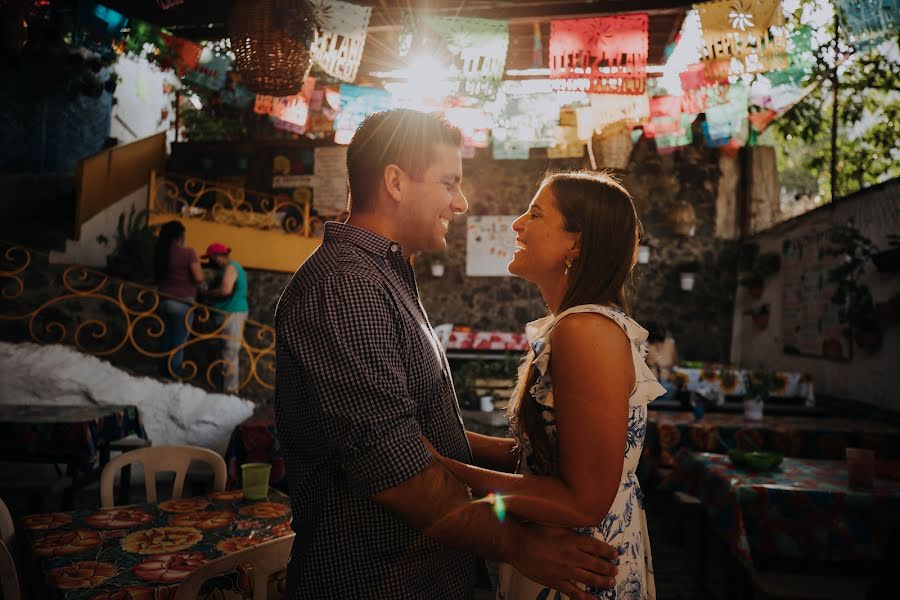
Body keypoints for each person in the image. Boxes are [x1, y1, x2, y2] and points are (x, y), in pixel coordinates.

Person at [274, 110, 618, 600]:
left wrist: (534, 461)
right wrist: (519, 544)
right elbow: (396, 471)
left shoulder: (383, 276)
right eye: (449, 182)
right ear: (395, 181)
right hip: (373, 580)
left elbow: (421, 435)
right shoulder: (346, 286)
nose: (461, 202)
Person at [428, 171, 667, 600]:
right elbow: (546, 460)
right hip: (577, 552)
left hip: (575, 561)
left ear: (576, 243)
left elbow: (583, 501)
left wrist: (444, 470)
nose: (517, 224)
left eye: (535, 213)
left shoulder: (585, 331)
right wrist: (447, 443)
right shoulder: (581, 325)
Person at [154, 221, 204, 377]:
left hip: (163, 301)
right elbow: (198, 277)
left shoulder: (160, 253)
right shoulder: (188, 253)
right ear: (180, 236)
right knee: (178, 343)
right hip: (183, 303)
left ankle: (162, 373)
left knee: (165, 339)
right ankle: (173, 374)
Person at [202, 242, 248, 394]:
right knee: (226, 351)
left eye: (211, 257)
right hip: (228, 312)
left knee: (230, 350)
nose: (210, 261)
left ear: (218, 256)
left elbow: (225, 290)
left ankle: (230, 390)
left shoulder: (231, 267)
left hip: (232, 312)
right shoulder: (229, 268)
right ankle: (226, 387)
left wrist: (208, 294)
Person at [644, 321, 679, 403]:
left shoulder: (645, 345)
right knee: (667, 412)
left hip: (651, 385)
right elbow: (675, 362)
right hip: (668, 385)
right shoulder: (671, 343)